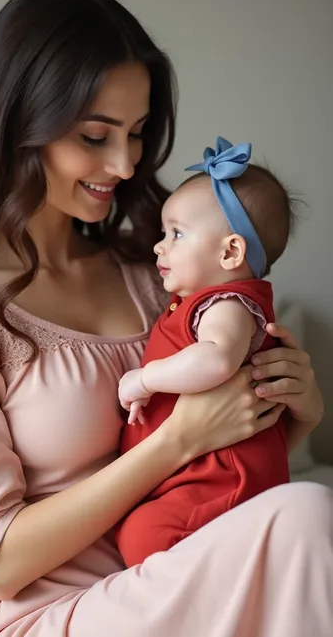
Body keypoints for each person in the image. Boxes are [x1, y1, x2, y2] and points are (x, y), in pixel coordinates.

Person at [0, 0, 331, 637]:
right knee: (309, 516)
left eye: (137, 133)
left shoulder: (153, 279)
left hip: (178, 564)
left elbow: (214, 476)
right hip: (52, 610)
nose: (124, 162)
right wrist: (177, 440)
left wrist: (290, 417)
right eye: (94, 134)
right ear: (20, 125)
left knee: (306, 518)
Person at [115, 138, 294, 566]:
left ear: (231, 251)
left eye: (176, 233)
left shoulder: (228, 304)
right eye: (163, 233)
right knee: (140, 532)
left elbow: (216, 359)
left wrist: (144, 378)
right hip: (197, 471)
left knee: (144, 537)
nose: (160, 246)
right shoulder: (204, 303)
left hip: (223, 477)